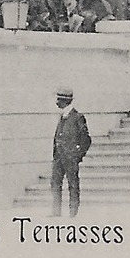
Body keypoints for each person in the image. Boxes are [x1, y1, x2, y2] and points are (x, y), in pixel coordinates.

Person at [50, 86, 92, 218]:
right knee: (55, 183)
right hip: (59, 158)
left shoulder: (77, 117)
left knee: (73, 184)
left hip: (70, 158)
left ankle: (73, 212)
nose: (57, 102)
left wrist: (77, 155)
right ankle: (56, 212)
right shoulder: (62, 116)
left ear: (64, 101)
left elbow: (86, 140)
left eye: (59, 100)